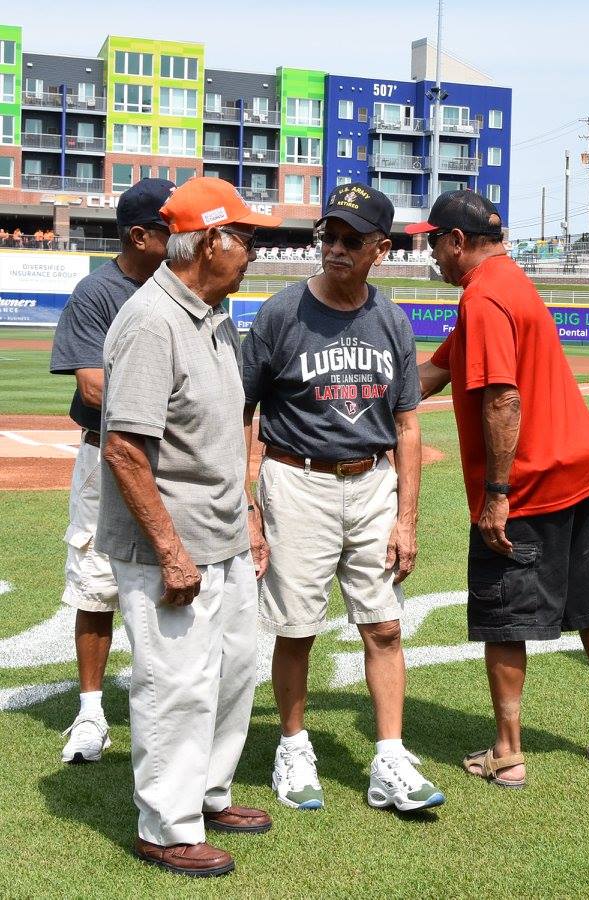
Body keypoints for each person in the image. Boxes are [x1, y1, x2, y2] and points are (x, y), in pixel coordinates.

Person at [412, 190, 589, 789]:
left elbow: (503, 398)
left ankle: (507, 752)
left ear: (458, 241)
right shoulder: (508, 281)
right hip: (577, 468)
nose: (430, 251)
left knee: (504, 615)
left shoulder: (484, 295)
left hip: (529, 483)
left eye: (434, 240)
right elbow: (436, 372)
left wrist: (496, 492)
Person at [97, 177, 280, 876]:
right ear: (210, 241)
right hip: (169, 547)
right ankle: (166, 827)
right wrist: (171, 553)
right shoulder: (151, 321)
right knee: (176, 683)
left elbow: (225, 428)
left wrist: (249, 515)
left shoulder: (213, 314)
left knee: (233, 674)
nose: (254, 253)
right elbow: (124, 449)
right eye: (247, 238)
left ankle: (207, 793)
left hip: (225, 532)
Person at [241, 184, 444, 813]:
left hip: (372, 482)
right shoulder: (280, 314)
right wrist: (249, 506)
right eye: (327, 236)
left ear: (379, 250)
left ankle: (389, 758)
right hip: (296, 480)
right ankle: (294, 747)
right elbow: (239, 410)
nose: (334, 248)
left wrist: (406, 519)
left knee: (383, 625)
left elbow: (408, 425)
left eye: (350, 240)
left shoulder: (391, 321)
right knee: (297, 629)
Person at [49, 178, 175, 764]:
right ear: (139, 235)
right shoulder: (98, 292)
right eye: (170, 227)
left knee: (173, 574)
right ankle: (92, 713)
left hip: (175, 458)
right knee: (97, 584)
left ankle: (169, 704)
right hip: (106, 454)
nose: (184, 236)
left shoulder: (186, 287)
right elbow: (94, 387)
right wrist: (174, 401)